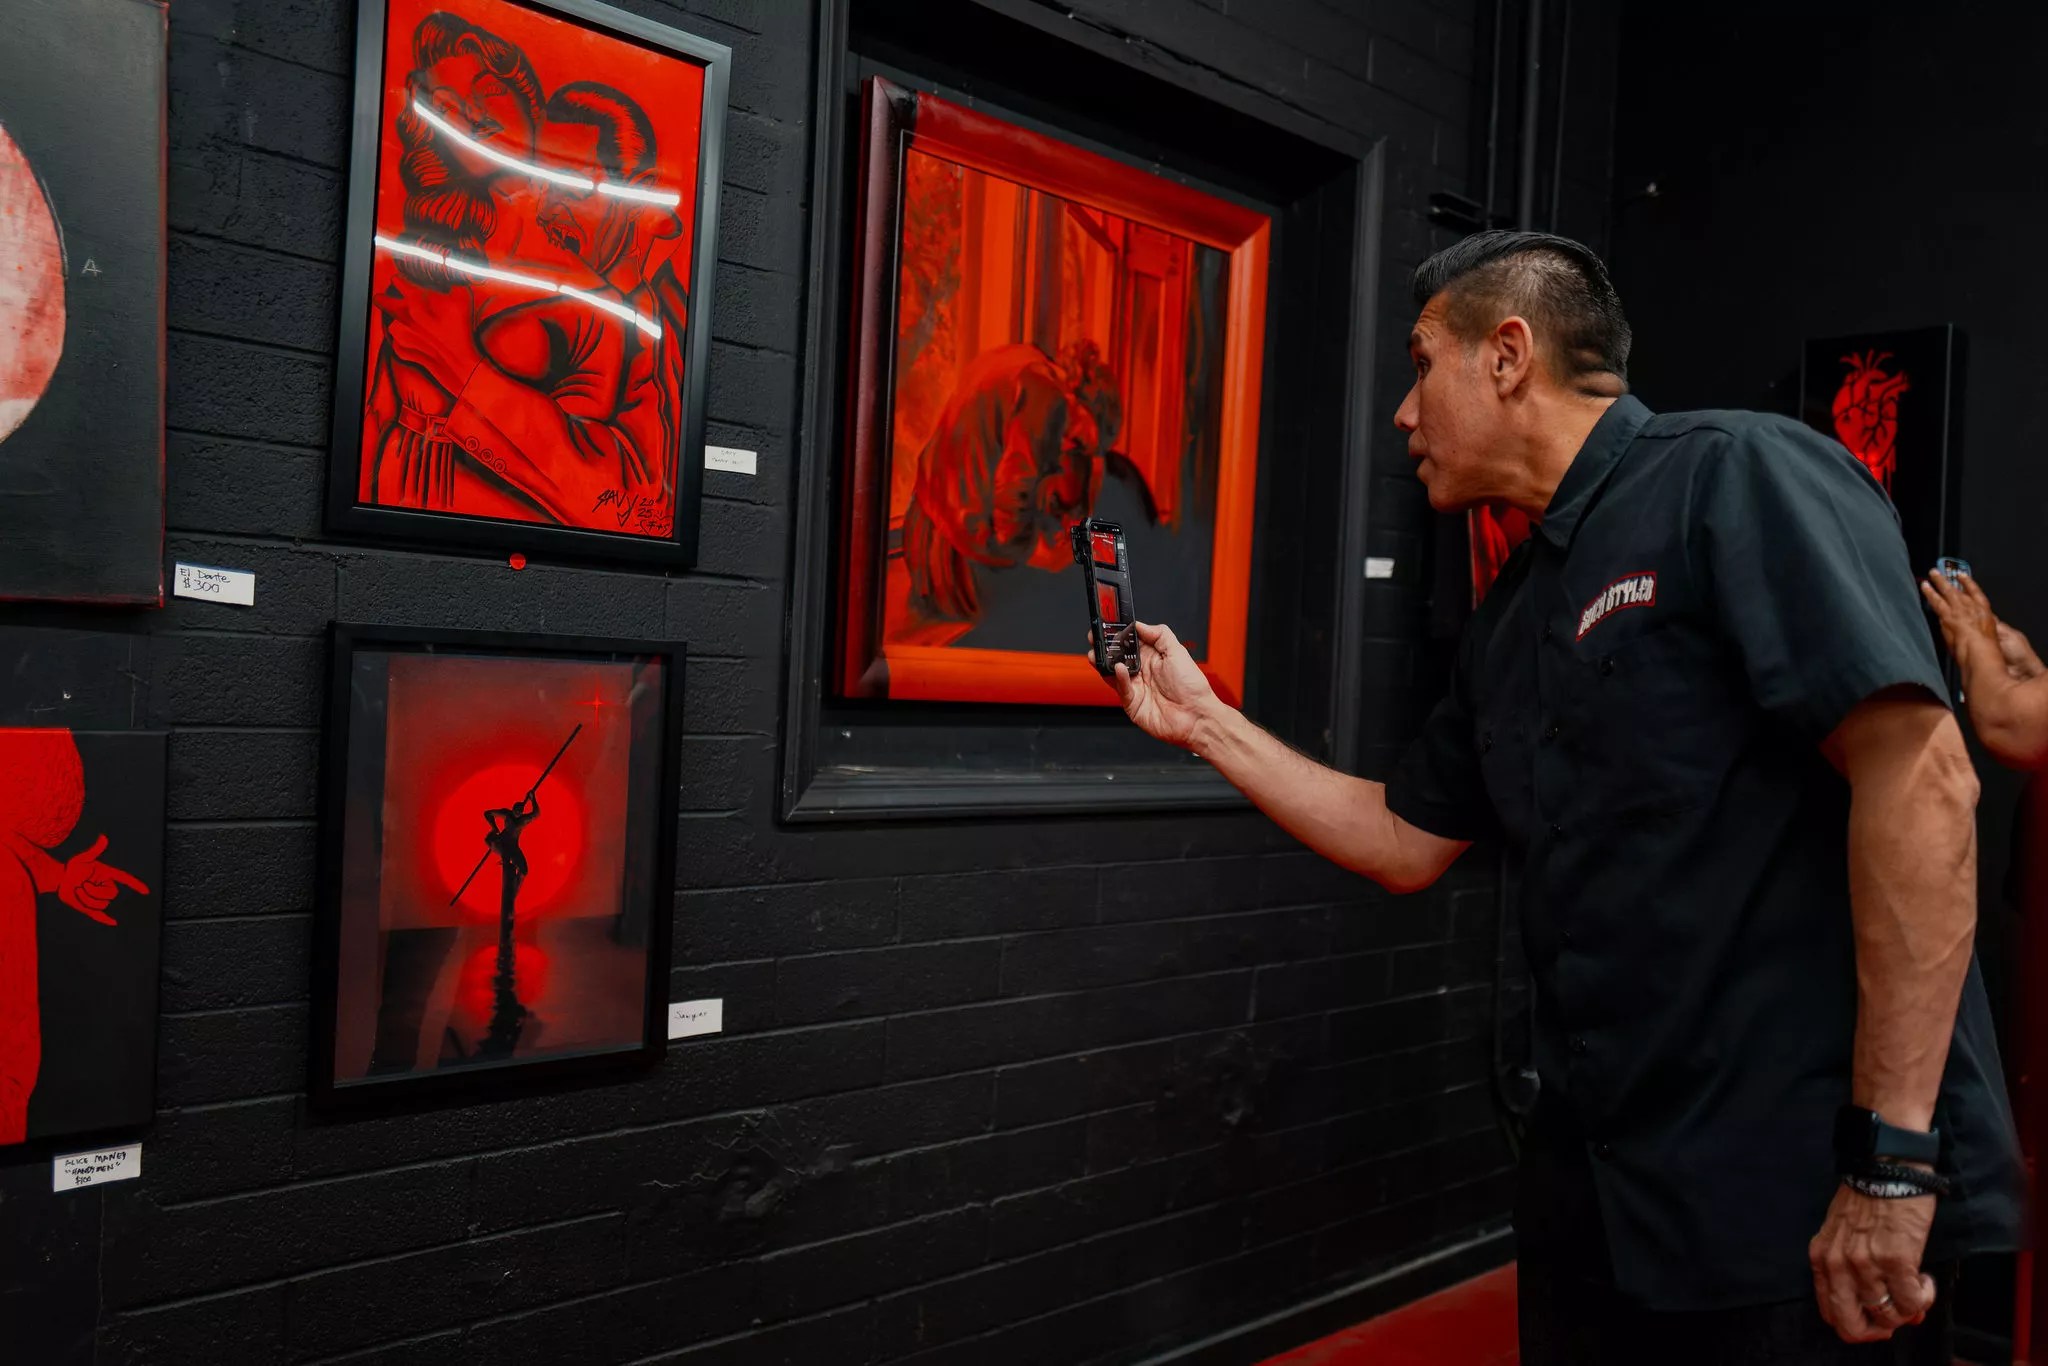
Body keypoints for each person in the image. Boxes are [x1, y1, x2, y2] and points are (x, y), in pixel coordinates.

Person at [1103, 229, 2023, 1363]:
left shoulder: (1732, 473)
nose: (1402, 413)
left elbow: (1923, 780)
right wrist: (1204, 721)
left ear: (1506, 355)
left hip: (1789, 1205)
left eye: (1419, 364)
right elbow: (1400, 838)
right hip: (1599, 1207)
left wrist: (1891, 1161)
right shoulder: (1516, 609)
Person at [900, 339, 1121, 626]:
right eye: (1080, 440)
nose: (1069, 444)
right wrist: (1042, 555)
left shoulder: (1025, 360)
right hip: (953, 562)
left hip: (924, 524)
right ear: (1081, 403)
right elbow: (1013, 500)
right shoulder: (1048, 396)